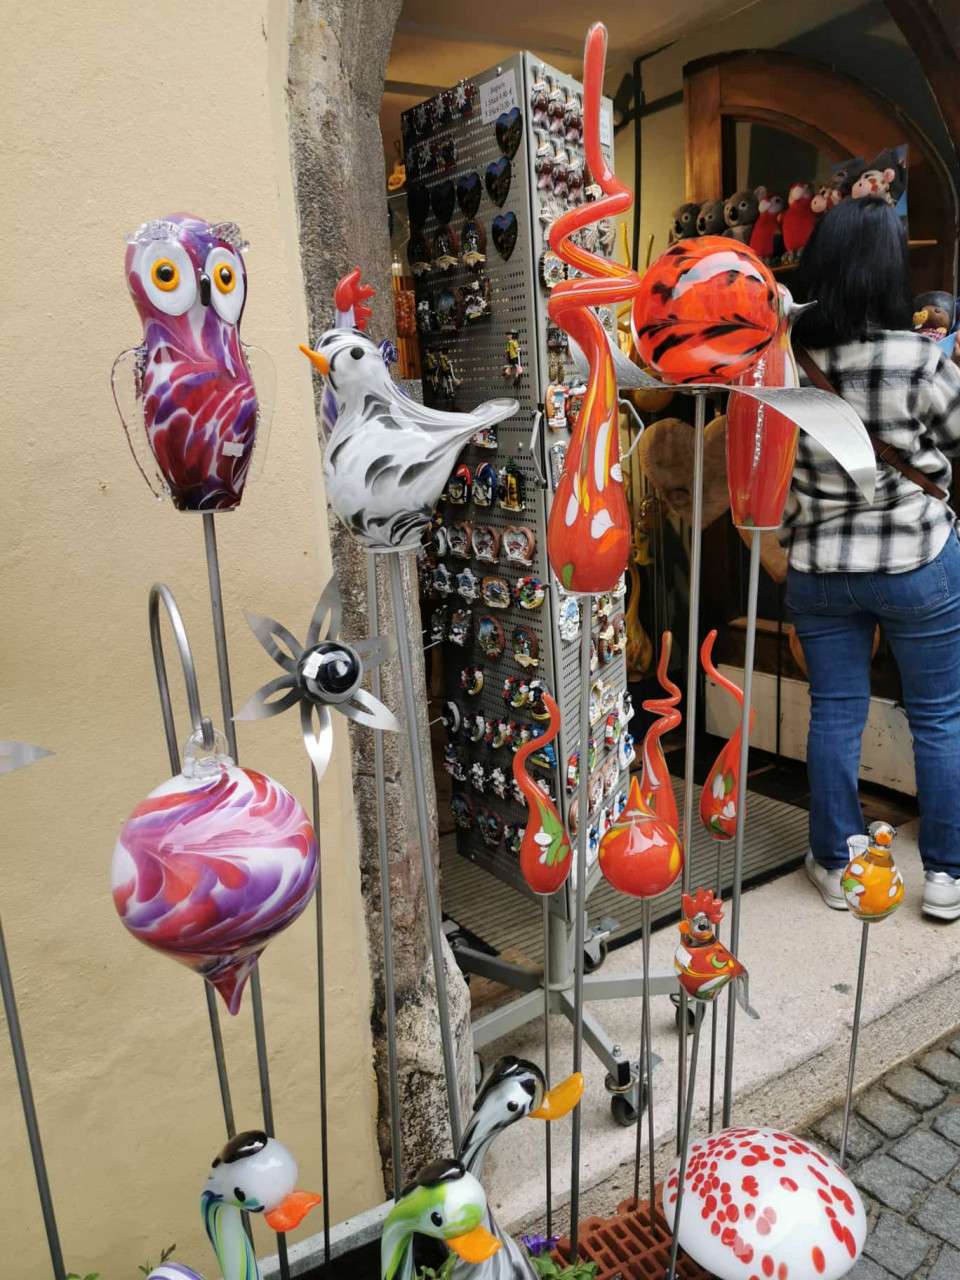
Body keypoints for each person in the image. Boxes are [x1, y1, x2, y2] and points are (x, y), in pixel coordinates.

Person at [783, 195, 960, 921]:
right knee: (939, 718)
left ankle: (836, 862)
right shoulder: (919, 358)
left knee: (834, 714)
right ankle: (945, 876)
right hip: (917, 560)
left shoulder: (787, 358)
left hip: (820, 565)